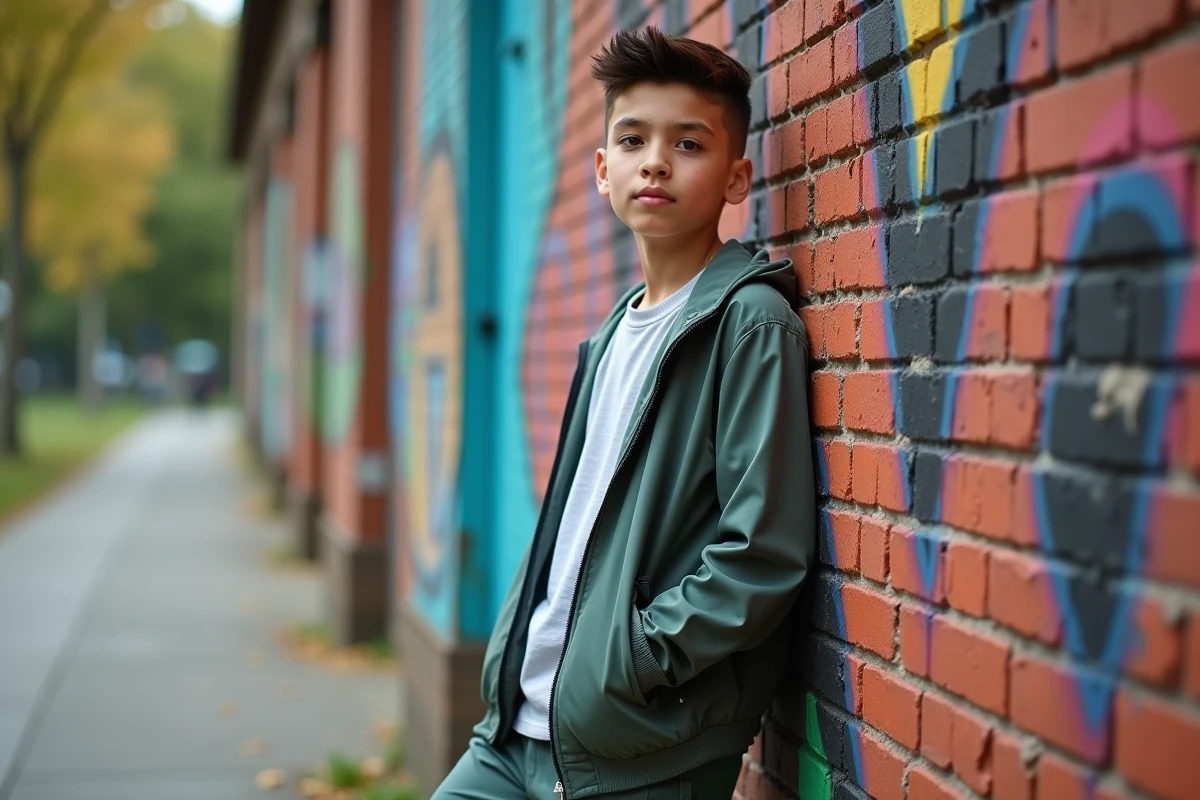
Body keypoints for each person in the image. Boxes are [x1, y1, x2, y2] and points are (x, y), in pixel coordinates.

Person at [433, 26, 816, 800]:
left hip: (639, 750)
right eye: (634, 140)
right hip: (515, 732)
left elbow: (763, 551)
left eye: (689, 144)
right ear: (603, 171)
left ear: (737, 177)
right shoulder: (613, 331)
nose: (656, 162)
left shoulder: (748, 325)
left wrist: (636, 660)